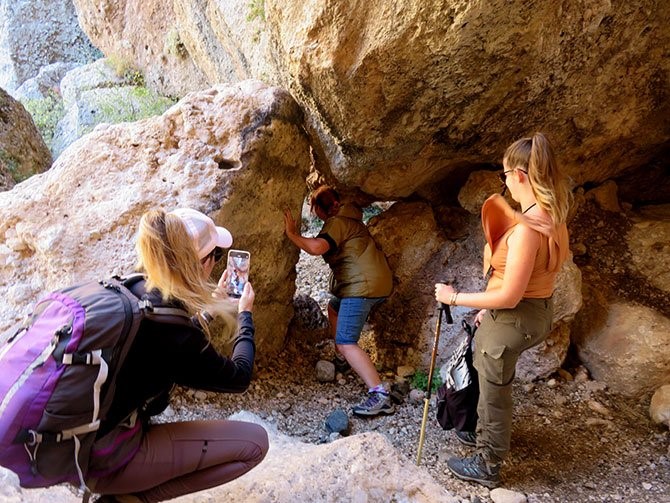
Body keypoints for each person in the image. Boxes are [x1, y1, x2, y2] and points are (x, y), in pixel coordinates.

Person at [90, 208, 269, 502]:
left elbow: (167, 340)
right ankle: (125, 498)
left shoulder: (134, 287)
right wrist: (245, 316)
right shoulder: (176, 336)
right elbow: (239, 377)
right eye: (216, 257)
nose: (216, 264)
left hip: (79, 439)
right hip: (105, 455)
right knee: (254, 444)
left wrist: (210, 308)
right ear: (201, 264)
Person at [435, 133, 571, 488]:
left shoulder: (527, 230)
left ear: (521, 176)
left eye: (506, 173)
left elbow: (510, 297)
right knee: (488, 370)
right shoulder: (552, 217)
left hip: (517, 314)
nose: (505, 180)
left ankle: (488, 463)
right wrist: (486, 311)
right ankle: (483, 434)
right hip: (536, 310)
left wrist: (454, 298)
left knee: (495, 388)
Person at [284, 186, 394, 417]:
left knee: (346, 340)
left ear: (318, 209)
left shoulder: (336, 223)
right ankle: (341, 359)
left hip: (361, 286)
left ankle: (380, 395)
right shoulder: (352, 220)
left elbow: (317, 247)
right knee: (334, 307)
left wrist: (293, 234)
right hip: (376, 282)